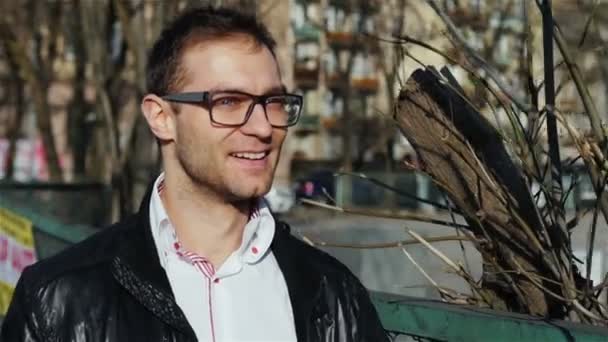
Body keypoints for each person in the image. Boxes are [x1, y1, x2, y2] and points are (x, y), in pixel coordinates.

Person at [1, 6, 388, 342]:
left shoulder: (334, 294)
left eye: (273, 102)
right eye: (229, 102)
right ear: (162, 118)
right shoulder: (56, 300)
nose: (264, 128)